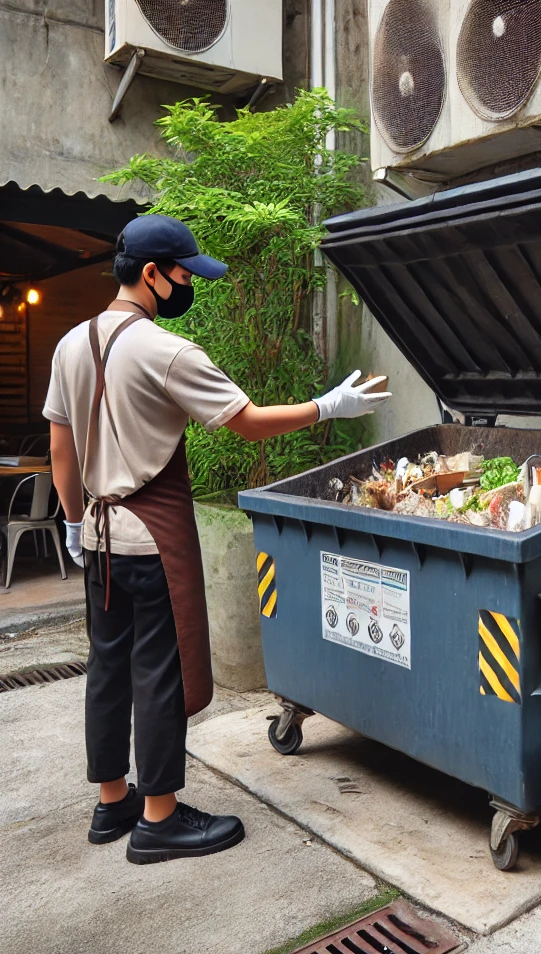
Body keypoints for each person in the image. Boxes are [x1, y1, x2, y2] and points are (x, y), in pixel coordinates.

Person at [43, 214, 390, 865]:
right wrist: (329, 405)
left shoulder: (70, 345)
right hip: (150, 540)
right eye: (183, 273)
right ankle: (159, 820)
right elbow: (248, 423)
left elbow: (61, 445)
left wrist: (70, 521)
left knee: (108, 672)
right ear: (152, 274)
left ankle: (112, 800)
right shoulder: (164, 351)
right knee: (157, 676)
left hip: (97, 537)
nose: (187, 284)